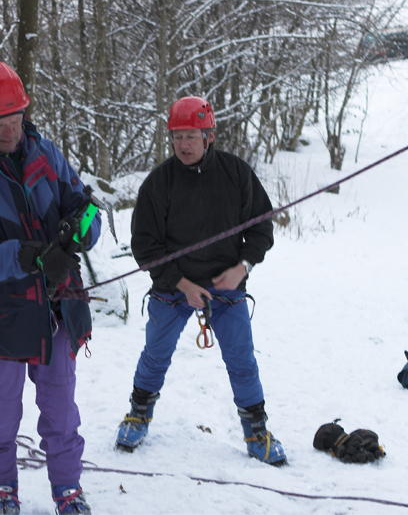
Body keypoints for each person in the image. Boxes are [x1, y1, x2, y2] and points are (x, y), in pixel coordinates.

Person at [0, 60, 100, 514]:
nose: (11, 130)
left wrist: (78, 232)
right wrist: (33, 257)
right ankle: (1, 487)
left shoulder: (45, 153)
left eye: (16, 118)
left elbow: (87, 207)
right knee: (3, 414)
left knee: (61, 411)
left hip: (57, 309)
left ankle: (68, 489)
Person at [115, 95, 286, 465]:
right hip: (173, 287)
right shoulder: (159, 184)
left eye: (191, 136)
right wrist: (182, 284)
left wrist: (243, 267)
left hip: (226, 285)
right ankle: (138, 413)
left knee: (241, 358)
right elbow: (145, 246)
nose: (184, 145)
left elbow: (261, 228)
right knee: (156, 354)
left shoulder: (236, 173)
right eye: (177, 137)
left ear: (209, 135)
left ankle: (256, 429)